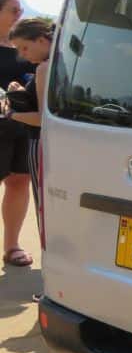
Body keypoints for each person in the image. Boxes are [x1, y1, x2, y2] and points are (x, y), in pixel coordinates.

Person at [7, 18, 53, 225]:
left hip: (40, 144)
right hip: (63, 144)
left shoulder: (44, 68)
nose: (22, 55)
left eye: (24, 47)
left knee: (44, 209)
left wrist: (9, 114)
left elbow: (43, 119)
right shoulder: (66, 62)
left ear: (42, 40)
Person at [0, 0, 34, 267]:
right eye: (14, 10)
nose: (19, 14)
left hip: (24, 126)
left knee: (20, 181)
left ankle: (12, 247)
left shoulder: (25, 44)